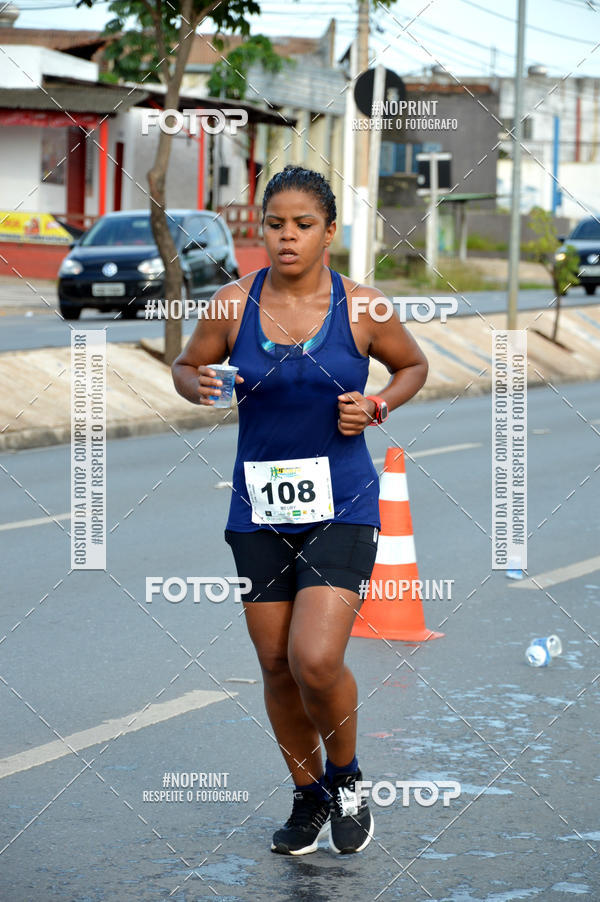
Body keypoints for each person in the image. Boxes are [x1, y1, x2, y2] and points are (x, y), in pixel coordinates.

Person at [172, 165, 428, 856]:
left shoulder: (363, 308)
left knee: (314, 658)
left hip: (343, 503)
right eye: (275, 224)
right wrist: (195, 383)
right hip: (257, 508)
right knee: (276, 665)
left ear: (330, 232)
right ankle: (308, 796)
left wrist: (379, 404)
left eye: (303, 225)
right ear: (261, 229)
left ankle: (347, 778)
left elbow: (413, 366)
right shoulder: (232, 305)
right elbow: (186, 365)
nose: (287, 237)